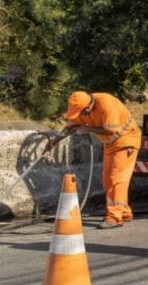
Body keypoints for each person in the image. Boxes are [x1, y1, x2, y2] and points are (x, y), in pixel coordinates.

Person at [50, 91, 142, 229]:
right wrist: (54, 141)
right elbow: (71, 126)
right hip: (110, 144)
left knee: (116, 180)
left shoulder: (106, 104)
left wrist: (89, 129)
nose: (79, 116)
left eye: (81, 113)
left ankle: (114, 218)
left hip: (126, 141)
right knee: (107, 180)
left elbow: (111, 130)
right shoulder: (83, 109)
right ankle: (124, 212)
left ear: (88, 107)